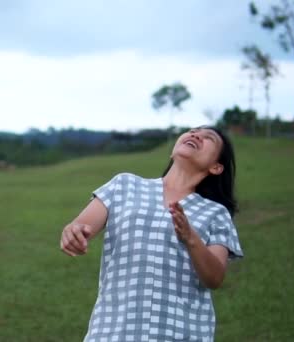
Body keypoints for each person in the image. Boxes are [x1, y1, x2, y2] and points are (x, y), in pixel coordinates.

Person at [60, 126, 243, 342]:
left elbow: (215, 278)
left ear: (216, 167)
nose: (196, 135)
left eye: (208, 137)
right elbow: (81, 226)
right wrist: (73, 233)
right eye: (193, 131)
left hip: (181, 334)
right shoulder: (124, 185)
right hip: (113, 333)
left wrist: (191, 238)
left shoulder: (215, 213)